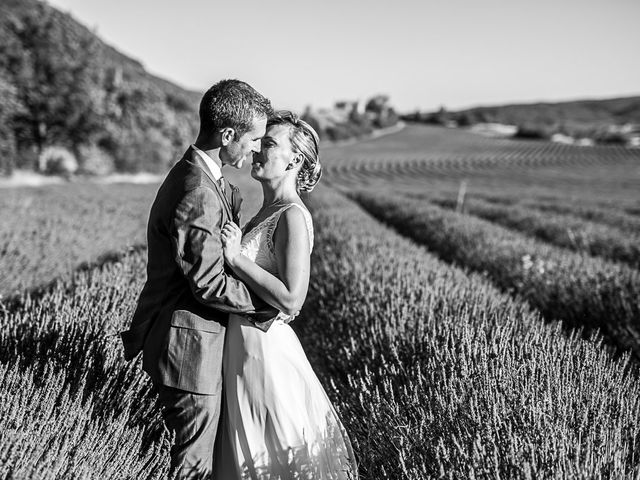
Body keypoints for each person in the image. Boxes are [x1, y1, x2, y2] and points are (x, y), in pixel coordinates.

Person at [120, 79, 280, 479]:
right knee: (192, 467)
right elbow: (207, 282)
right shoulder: (197, 190)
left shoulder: (202, 178)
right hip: (189, 350)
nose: (257, 148)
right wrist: (266, 306)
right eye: (254, 139)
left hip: (191, 344)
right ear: (227, 135)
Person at [216, 111, 357, 479]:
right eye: (260, 142)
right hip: (242, 346)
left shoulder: (292, 215)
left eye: (270, 144)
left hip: (263, 352)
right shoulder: (268, 210)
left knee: (268, 458)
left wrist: (234, 258)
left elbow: (293, 298)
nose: (258, 150)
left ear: (294, 159)